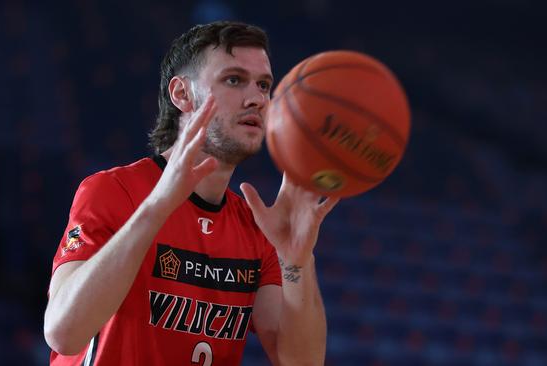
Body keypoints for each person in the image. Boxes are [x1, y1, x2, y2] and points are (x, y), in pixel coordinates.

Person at [43, 21, 339, 365]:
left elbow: (302, 363)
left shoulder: (257, 227)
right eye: (234, 80)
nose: (257, 98)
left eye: (263, 85)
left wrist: (297, 260)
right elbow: (63, 333)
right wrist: (158, 206)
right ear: (182, 94)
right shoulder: (114, 191)